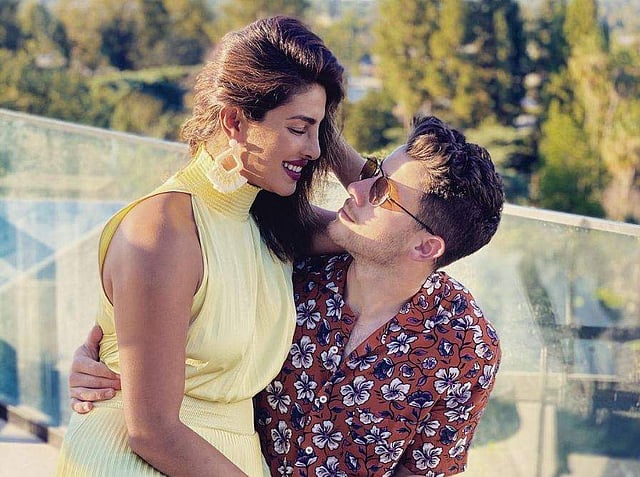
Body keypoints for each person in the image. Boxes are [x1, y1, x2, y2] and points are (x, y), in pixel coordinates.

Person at [70, 115, 505, 476]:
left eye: (382, 192)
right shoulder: (285, 264)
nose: (356, 189)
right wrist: (108, 359)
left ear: (426, 248)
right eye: (372, 173)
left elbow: (425, 469)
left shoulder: (468, 346)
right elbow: (169, 331)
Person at [56, 16, 349, 477]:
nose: (315, 150)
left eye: (320, 130)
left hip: (225, 460)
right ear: (234, 121)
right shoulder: (163, 229)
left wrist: (324, 129)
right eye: (299, 128)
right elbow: (152, 431)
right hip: (134, 460)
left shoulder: (269, 221)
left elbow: (402, 226)